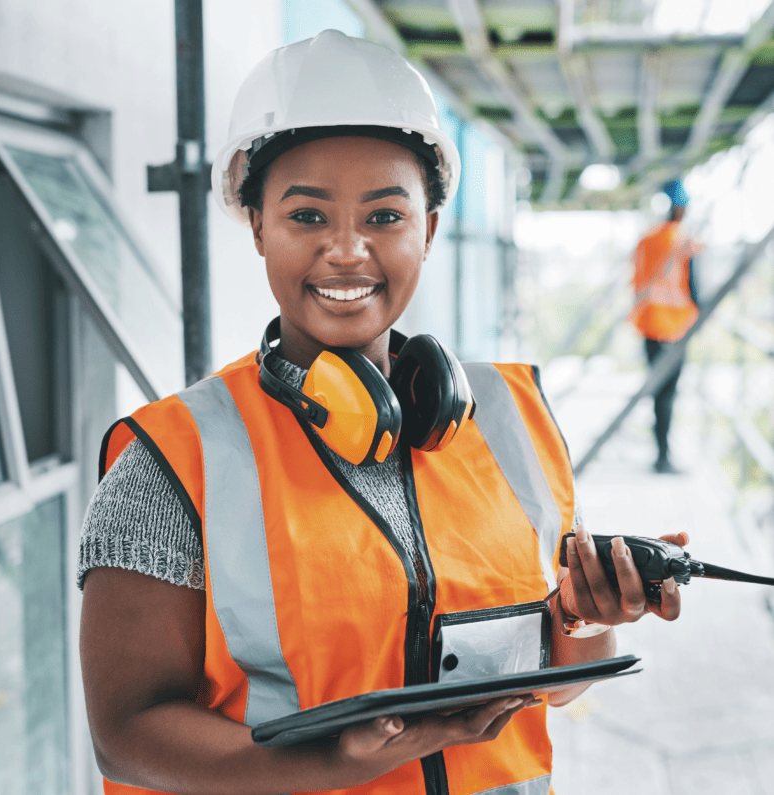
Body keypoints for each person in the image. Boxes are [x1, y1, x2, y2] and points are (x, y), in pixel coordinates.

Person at [79, 30, 686, 795]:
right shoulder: (174, 460)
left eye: (384, 217)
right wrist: (332, 764)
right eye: (305, 216)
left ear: (428, 228)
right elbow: (125, 734)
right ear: (257, 225)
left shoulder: (510, 419)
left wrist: (585, 617)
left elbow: (554, 681)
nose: (346, 251)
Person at [630, 179, 700, 474]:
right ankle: (663, 456)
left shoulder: (646, 239)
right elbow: (695, 289)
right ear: (681, 208)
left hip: (648, 325)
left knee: (658, 393)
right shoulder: (682, 241)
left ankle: (661, 453)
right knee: (667, 395)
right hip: (673, 329)